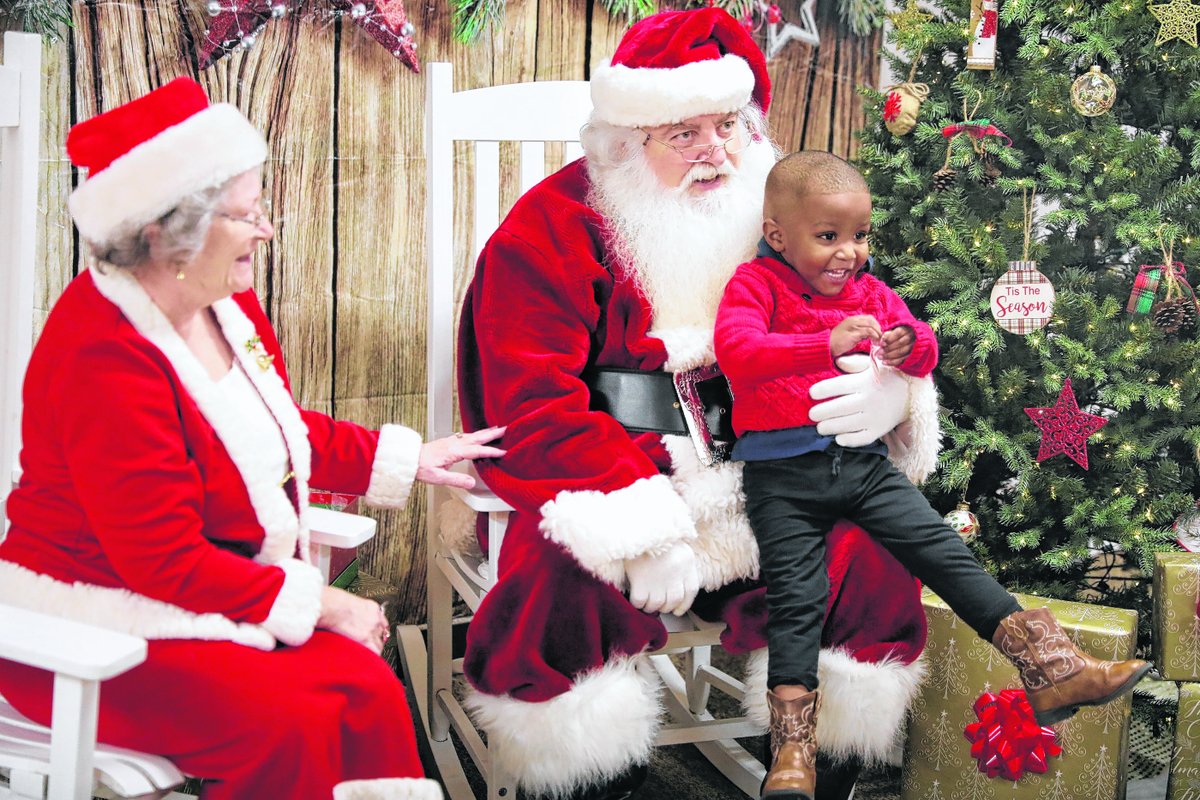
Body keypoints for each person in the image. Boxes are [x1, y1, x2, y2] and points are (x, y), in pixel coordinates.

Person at [455, 9, 944, 800]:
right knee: (563, 576)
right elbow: (532, 405)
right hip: (621, 472)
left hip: (772, 471)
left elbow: (875, 317)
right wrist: (641, 523)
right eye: (684, 134)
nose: (717, 152)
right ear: (624, 142)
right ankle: (595, 780)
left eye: (728, 125)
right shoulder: (547, 231)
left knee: (870, 551)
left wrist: (895, 391)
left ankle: (820, 768)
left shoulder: (780, 213)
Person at [0, 77, 504, 800]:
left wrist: (409, 458)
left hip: (203, 598)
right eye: (246, 215)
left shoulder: (223, 304)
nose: (266, 231)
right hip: (89, 621)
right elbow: (159, 557)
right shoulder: (102, 354)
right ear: (164, 233)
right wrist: (325, 604)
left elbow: (278, 431)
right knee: (291, 722)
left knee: (369, 690)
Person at [714, 150, 1152, 799]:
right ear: (778, 235)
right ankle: (792, 754)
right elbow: (739, 353)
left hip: (862, 467)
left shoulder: (871, 292)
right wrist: (825, 343)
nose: (848, 253)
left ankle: (1052, 668)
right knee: (798, 600)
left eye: (860, 236)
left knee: (944, 552)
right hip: (784, 479)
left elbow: (924, 341)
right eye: (827, 236)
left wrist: (906, 347)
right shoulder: (757, 286)